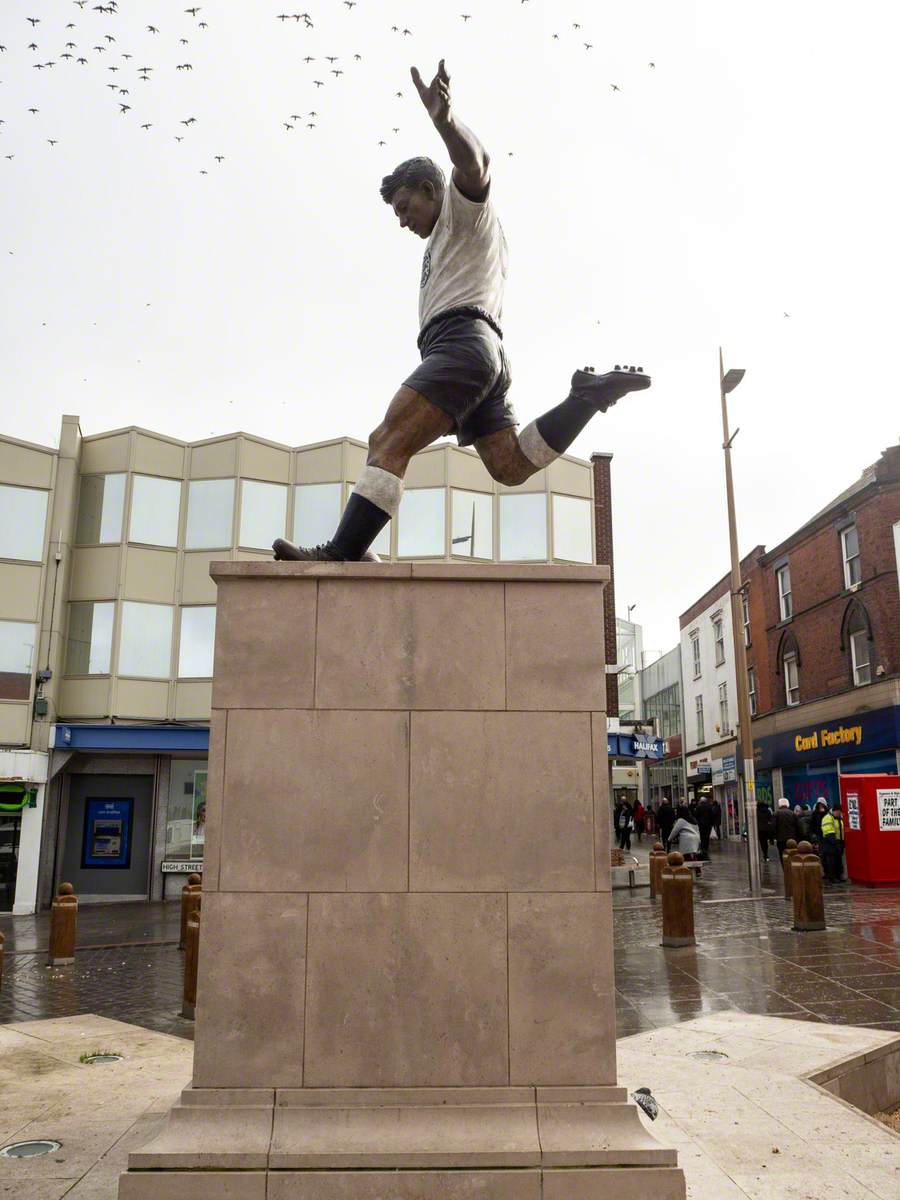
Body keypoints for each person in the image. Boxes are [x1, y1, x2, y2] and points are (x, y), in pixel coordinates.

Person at [271, 59, 651, 564]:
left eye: (406, 206)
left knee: (387, 439)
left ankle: (343, 550)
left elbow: (476, 166)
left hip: (463, 344)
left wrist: (446, 124)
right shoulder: (446, 242)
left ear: (432, 191)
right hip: (484, 354)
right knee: (511, 465)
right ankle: (584, 399)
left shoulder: (462, 211)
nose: (403, 220)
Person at [820, 804, 845, 882]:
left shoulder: (839, 818)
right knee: (831, 861)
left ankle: (839, 875)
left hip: (838, 842)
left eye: (840, 812)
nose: (839, 813)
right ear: (834, 811)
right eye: (838, 812)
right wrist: (835, 842)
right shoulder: (828, 818)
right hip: (830, 842)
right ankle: (832, 877)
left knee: (838, 860)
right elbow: (828, 832)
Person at [773, 797, 800, 866]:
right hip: (792, 838)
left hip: (781, 839)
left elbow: (773, 826)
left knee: (782, 855)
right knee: (793, 854)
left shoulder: (776, 814)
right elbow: (798, 826)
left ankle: (785, 869)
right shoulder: (792, 813)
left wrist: (773, 837)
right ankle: (792, 868)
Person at [756, 799, 774, 863]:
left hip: (760, 829)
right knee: (765, 841)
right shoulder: (768, 811)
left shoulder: (756, 811)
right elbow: (771, 819)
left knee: (762, 842)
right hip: (767, 828)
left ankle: (765, 854)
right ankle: (766, 854)